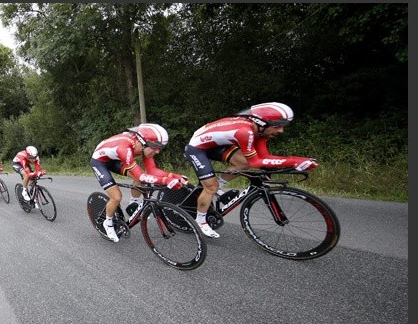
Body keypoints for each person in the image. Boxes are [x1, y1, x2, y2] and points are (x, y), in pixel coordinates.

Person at [184, 102, 318, 238]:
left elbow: (264, 158)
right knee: (211, 188)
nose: (281, 131)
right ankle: (200, 222)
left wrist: (292, 162)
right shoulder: (245, 132)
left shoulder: (259, 131)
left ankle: (220, 184)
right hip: (197, 148)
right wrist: (295, 161)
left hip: (215, 143)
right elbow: (256, 162)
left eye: (283, 126)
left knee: (243, 163)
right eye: (277, 126)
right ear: (261, 122)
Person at [91, 123, 188, 242]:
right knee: (116, 197)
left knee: (140, 179)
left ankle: (133, 204)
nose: (157, 151)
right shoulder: (125, 147)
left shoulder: (144, 145)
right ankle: (108, 222)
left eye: (160, 147)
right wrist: (165, 180)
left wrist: (174, 176)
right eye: (155, 146)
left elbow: (152, 170)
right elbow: (142, 176)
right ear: (142, 141)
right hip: (100, 162)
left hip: (115, 159)